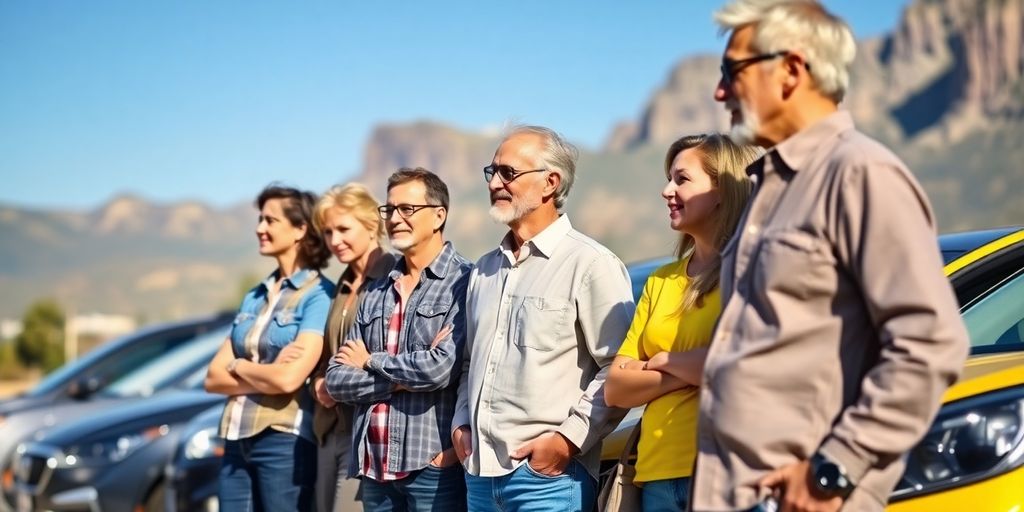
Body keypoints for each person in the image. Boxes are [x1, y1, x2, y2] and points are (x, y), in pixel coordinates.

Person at [692, 1, 971, 511]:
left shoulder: (860, 173)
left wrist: (833, 469)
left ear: (792, 70)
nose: (720, 92)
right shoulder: (766, 188)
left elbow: (930, 343)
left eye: (732, 71)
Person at [452, 125, 635, 512]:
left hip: (549, 481)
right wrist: (460, 425)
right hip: (479, 479)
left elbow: (619, 367)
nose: (496, 183)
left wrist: (566, 442)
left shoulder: (591, 264)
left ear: (550, 182)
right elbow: (471, 362)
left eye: (509, 173)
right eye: (493, 172)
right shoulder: (482, 271)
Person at [604, 133, 758, 511]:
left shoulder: (754, 271)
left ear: (723, 188)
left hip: (729, 472)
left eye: (682, 179)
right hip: (656, 475)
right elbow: (617, 388)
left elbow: (746, 364)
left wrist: (663, 362)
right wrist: (692, 369)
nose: (666, 190)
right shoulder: (660, 280)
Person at [325, 168, 472, 512]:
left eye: (407, 209)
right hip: (374, 468)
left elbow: (441, 369)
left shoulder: (464, 281)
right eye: (389, 209)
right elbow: (336, 380)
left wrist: (371, 361)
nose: (394, 218)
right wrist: (400, 381)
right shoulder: (376, 290)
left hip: (432, 466)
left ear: (439, 215)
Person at [205, 184, 335, 511]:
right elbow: (212, 378)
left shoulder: (319, 295)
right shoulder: (254, 295)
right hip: (235, 439)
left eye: (270, 220)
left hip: (284, 440)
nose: (259, 228)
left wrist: (240, 366)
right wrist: (269, 373)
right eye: (260, 219)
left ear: (300, 229)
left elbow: (289, 380)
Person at [311, 183, 398, 512]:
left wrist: (340, 385)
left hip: (368, 431)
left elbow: (393, 360)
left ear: (371, 224)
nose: (335, 241)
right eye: (329, 232)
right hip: (329, 429)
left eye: (343, 229)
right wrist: (319, 382)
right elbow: (327, 357)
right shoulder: (341, 288)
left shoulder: (394, 276)